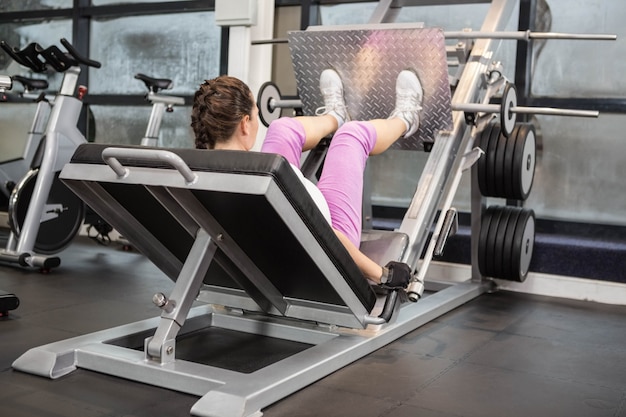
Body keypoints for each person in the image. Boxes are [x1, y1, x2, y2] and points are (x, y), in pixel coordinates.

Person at [191, 68, 423, 290]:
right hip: (324, 253)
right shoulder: (265, 181)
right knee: (352, 135)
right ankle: (407, 119)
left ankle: (336, 116)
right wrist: (383, 275)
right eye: (255, 114)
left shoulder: (198, 174)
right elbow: (326, 237)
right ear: (244, 124)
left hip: (282, 248)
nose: (257, 118)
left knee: (282, 128)